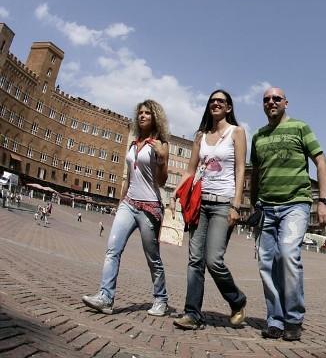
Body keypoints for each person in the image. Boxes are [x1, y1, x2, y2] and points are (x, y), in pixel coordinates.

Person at [251, 87, 326, 341]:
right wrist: (254, 205)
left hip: (296, 204)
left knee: (287, 253)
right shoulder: (258, 136)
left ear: (286, 102)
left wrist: (324, 200)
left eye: (276, 98)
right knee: (267, 263)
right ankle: (275, 319)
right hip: (266, 207)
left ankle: (294, 318)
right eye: (266, 99)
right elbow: (255, 174)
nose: (271, 102)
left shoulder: (300, 128)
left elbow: (321, 161)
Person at [82, 100, 171, 316]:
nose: (142, 116)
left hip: (150, 207)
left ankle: (161, 299)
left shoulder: (161, 144)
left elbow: (161, 181)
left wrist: (161, 158)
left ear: (155, 117)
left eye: (147, 113)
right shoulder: (133, 145)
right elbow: (129, 177)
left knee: (152, 257)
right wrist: (120, 202)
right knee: (113, 249)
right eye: (140, 113)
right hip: (129, 204)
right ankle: (106, 297)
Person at [172, 89, 248, 331]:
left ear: (229, 108)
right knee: (195, 259)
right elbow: (191, 169)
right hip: (200, 203)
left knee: (213, 260)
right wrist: (177, 190)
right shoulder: (200, 136)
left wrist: (236, 205)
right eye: (212, 101)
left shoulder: (237, 132)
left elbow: (240, 170)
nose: (216, 103)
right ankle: (192, 313)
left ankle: (237, 300)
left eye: (221, 101)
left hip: (223, 203)